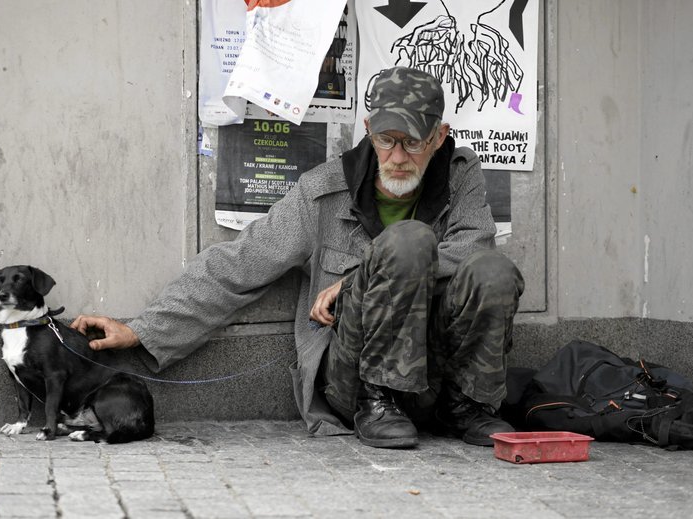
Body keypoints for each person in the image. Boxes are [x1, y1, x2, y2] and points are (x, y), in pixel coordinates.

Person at [72, 66, 524, 448]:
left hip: (435, 372)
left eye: (415, 142)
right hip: (355, 378)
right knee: (409, 242)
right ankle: (380, 401)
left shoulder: (460, 176)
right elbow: (238, 266)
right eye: (387, 140)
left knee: (494, 270)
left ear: (440, 136)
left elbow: (474, 248)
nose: (399, 156)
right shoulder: (324, 191)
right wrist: (141, 329)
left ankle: (468, 405)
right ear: (368, 130)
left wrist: (352, 281)